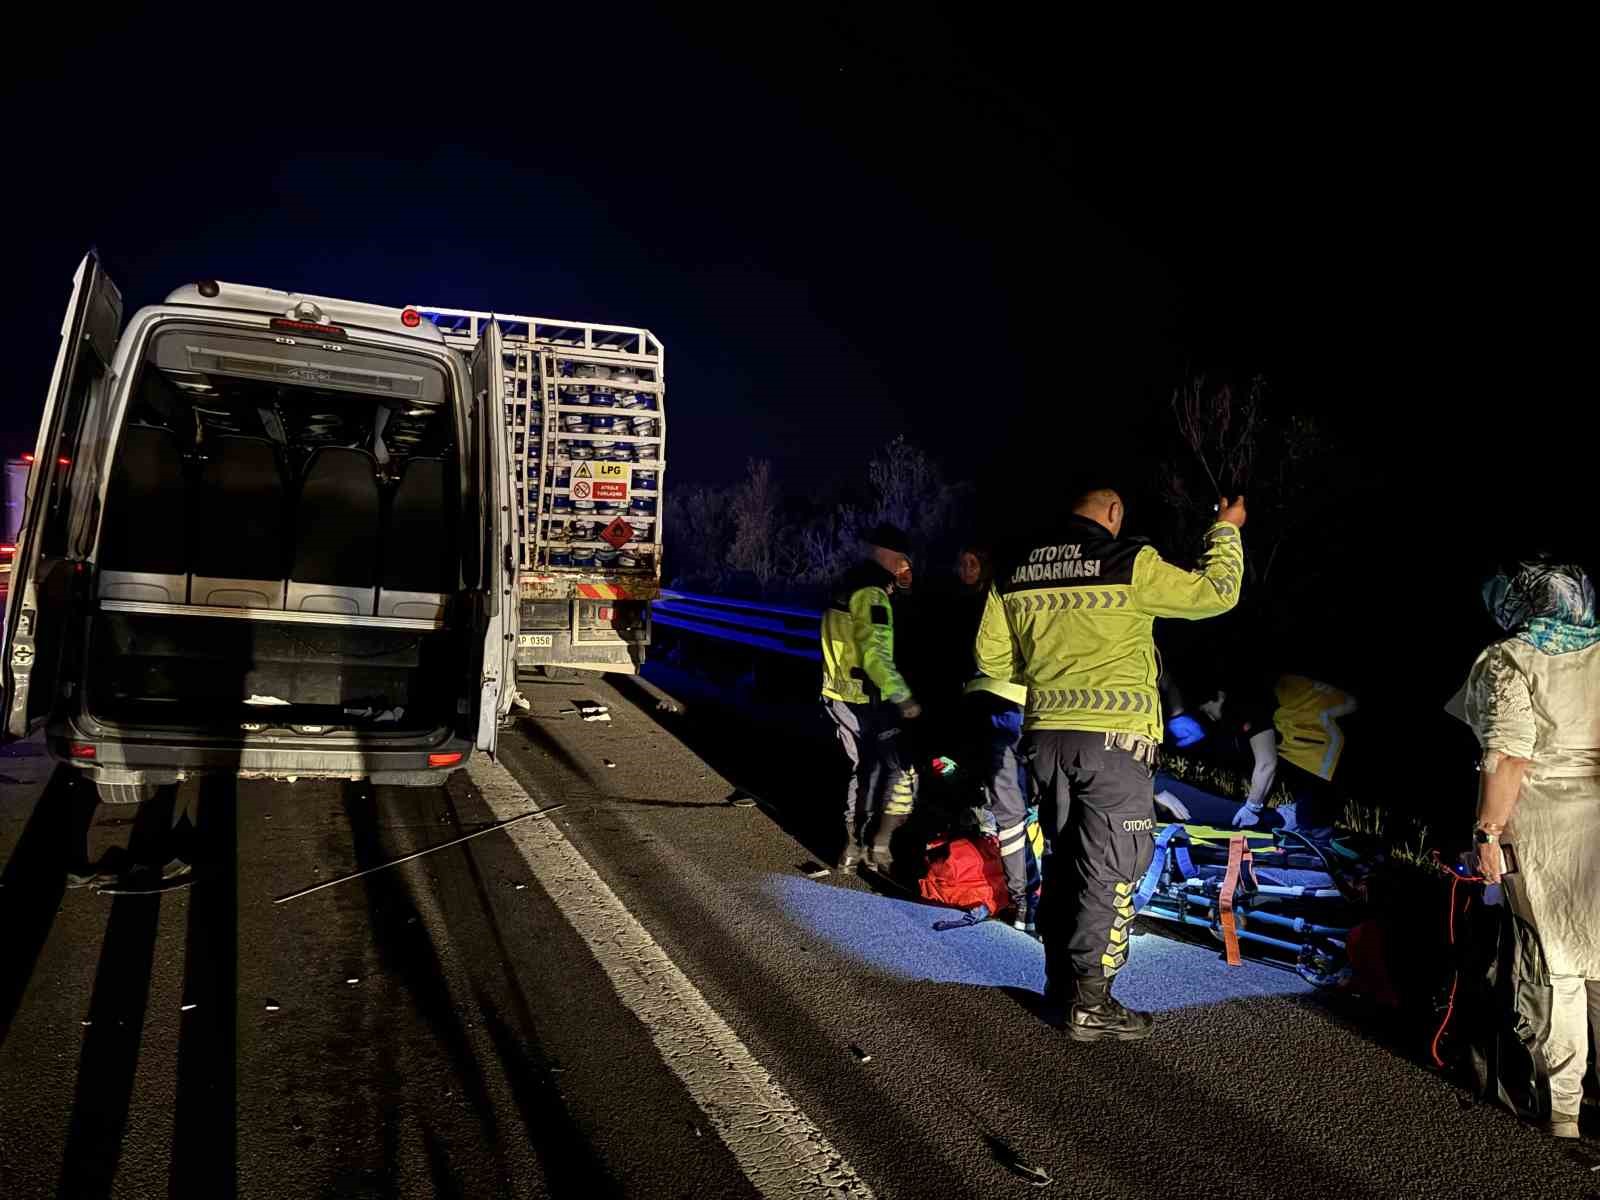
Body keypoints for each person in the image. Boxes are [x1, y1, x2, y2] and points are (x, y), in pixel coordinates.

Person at [976, 488, 1245, 1041]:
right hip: (1114, 746)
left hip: (1045, 740)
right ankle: (1091, 1003)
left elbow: (992, 659)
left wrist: (1052, 672)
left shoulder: (1017, 570)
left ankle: (1061, 986)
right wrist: (1227, 530)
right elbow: (1217, 592)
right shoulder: (1129, 562)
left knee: (1064, 860)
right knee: (1113, 870)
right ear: (1115, 513)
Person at [1463, 558, 1600, 1140]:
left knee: (1560, 967)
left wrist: (1487, 834)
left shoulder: (1511, 658)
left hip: (1548, 823)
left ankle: (1564, 1113)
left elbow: (1509, 756)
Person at [820, 524, 922, 870]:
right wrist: (903, 698)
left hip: (838, 693)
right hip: (867, 698)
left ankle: (851, 848)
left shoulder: (845, 584)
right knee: (902, 771)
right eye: (906, 563)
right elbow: (875, 655)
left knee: (862, 770)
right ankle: (881, 847)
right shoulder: (873, 594)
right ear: (898, 559)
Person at [1178, 671, 1357, 839]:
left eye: (1208, 710)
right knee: (1310, 815)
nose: (1211, 718)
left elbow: (1267, 763)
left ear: (1220, 696)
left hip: (1330, 745)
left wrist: (1252, 807)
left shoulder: (1244, 703)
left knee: (1311, 825)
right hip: (1322, 740)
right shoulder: (1257, 693)